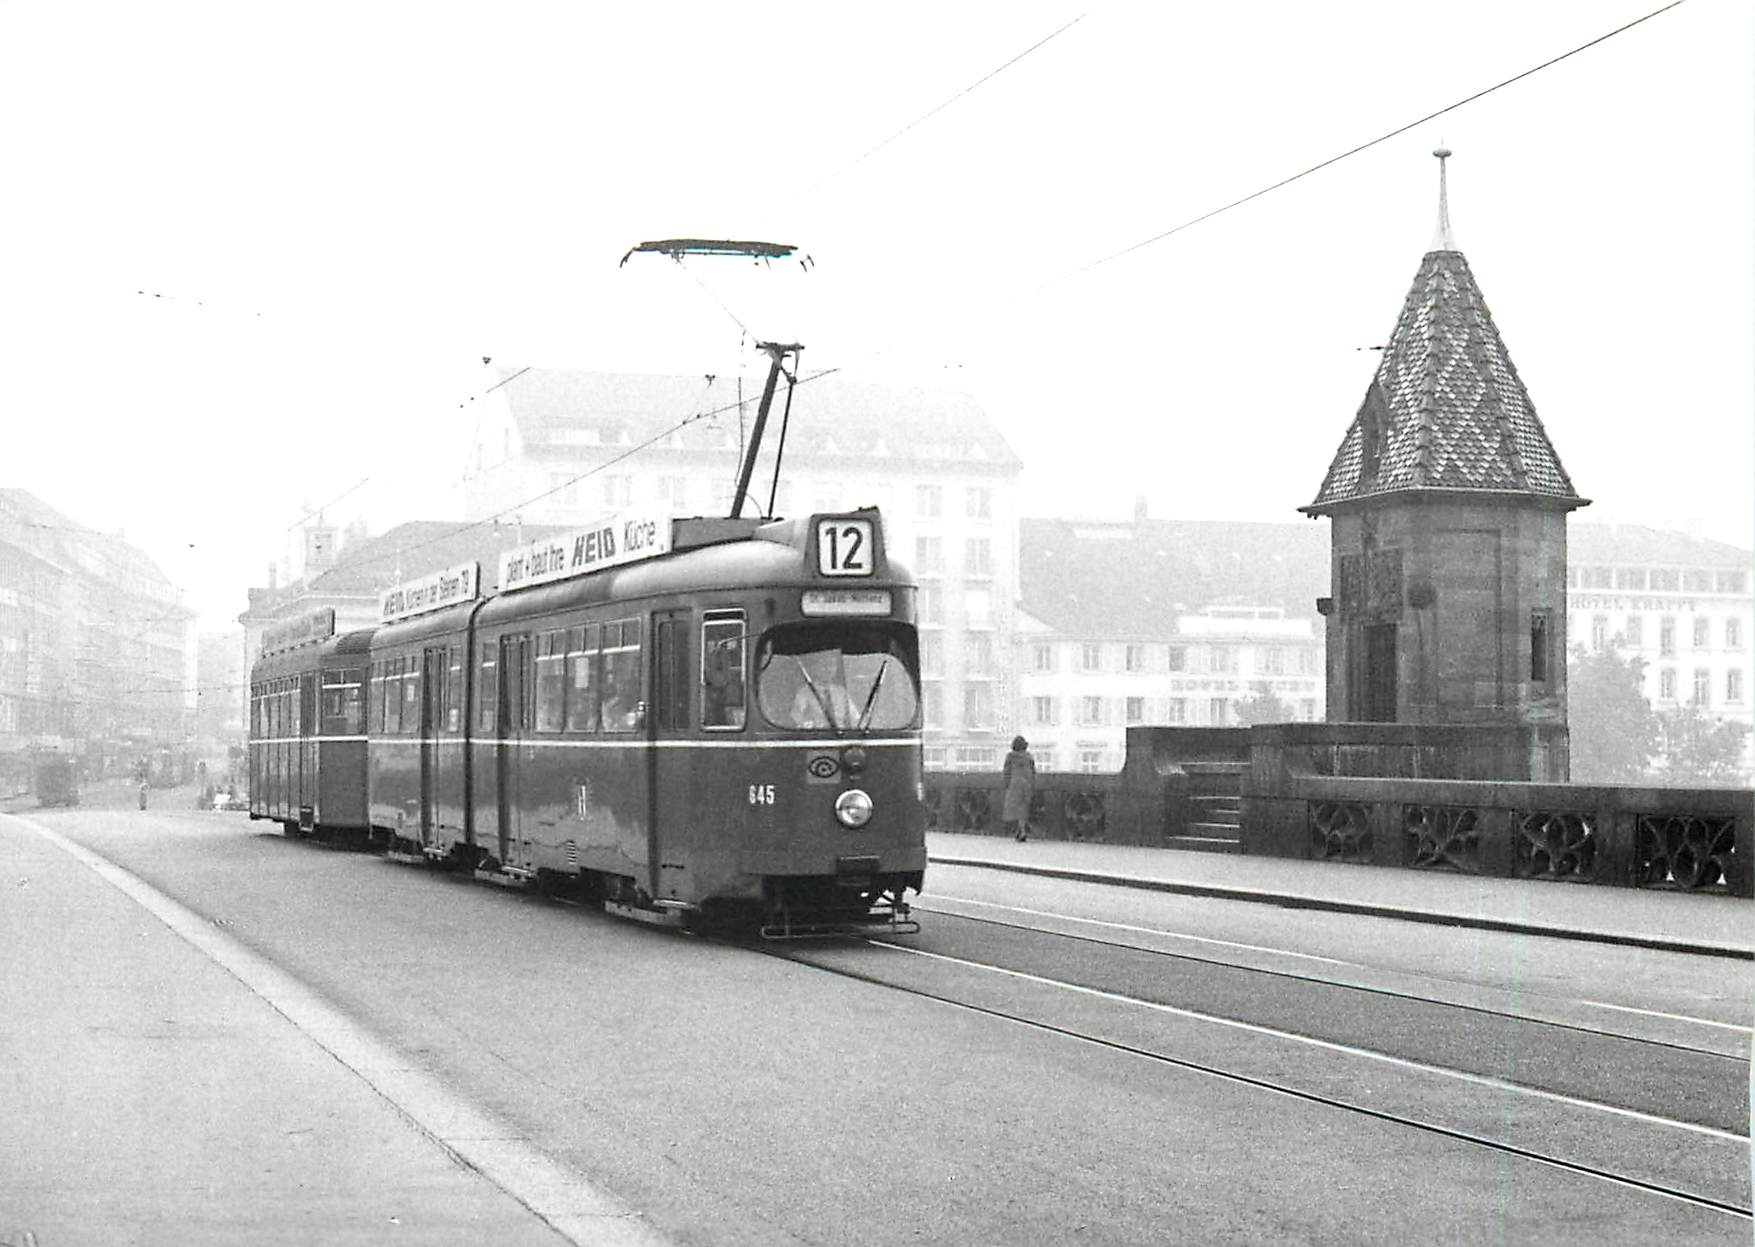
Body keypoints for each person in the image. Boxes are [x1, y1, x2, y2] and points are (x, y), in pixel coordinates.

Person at [1001, 736, 1036, 842]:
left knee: (1015, 808)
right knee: (1023, 808)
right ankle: (1021, 830)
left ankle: (1020, 831)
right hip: (1027, 784)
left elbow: (1006, 772)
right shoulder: (1029, 756)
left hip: (1015, 784)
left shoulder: (1010, 757)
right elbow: (1033, 771)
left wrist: (1006, 784)